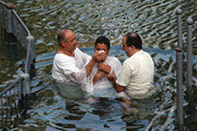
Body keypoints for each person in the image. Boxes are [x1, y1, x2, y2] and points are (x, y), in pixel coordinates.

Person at [100, 32, 154, 103]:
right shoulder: (148, 56)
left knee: (117, 93)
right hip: (148, 94)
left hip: (133, 97)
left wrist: (112, 78)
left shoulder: (129, 63)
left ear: (132, 47)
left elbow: (119, 89)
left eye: (124, 46)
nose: (123, 49)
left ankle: (128, 106)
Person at [52, 29, 105, 100]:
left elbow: (87, 59)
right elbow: (80, 78)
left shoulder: (74, 50)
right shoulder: (61, 59)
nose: (76, 42)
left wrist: (99, 60)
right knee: (94, 101)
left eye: (75, 39)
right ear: (63, 44)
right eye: (72, 41)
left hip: (81, 82)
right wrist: (94, 60)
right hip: (70, 90)